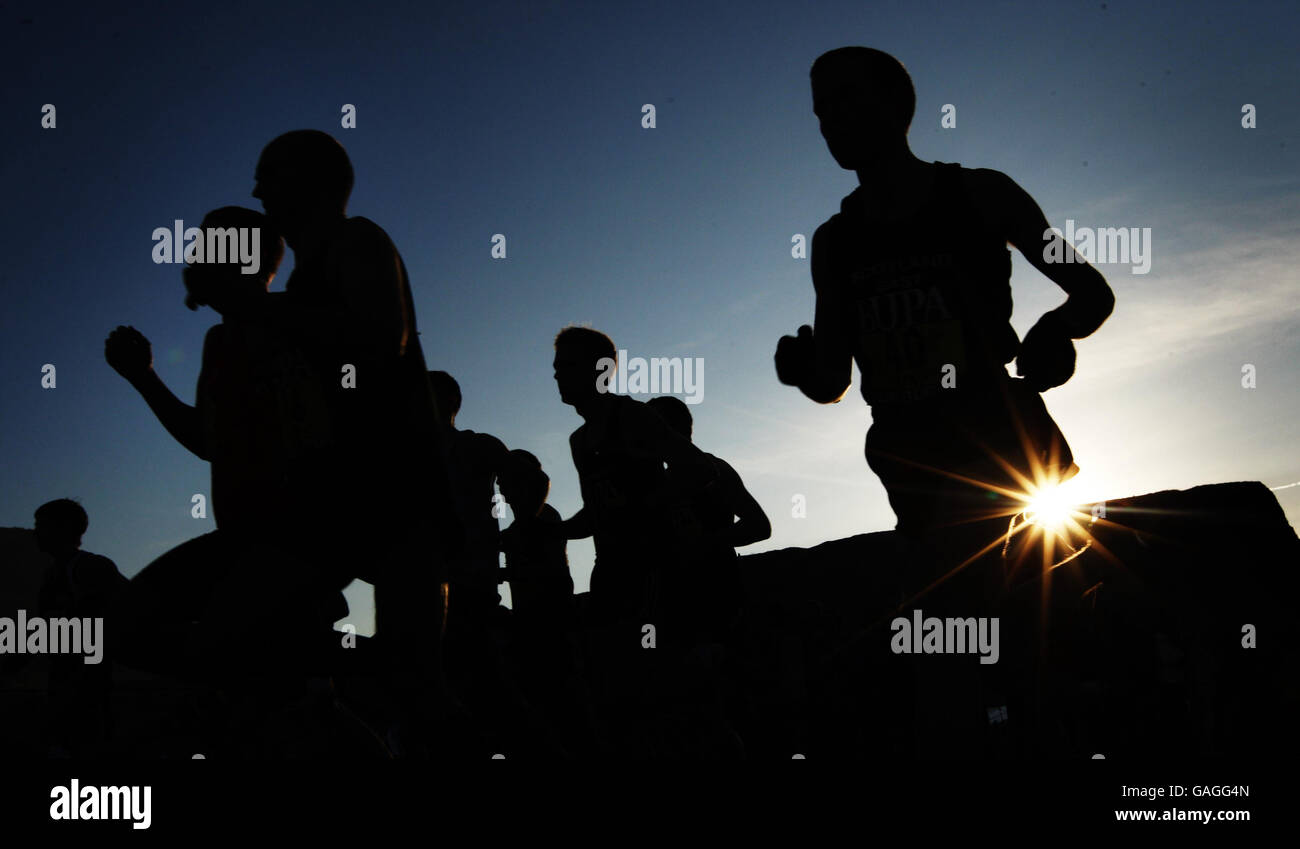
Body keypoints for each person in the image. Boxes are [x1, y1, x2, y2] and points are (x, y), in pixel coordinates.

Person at [775, 46, 1115, 565]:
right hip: (912, 467)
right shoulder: (834, 242)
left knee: (1033, 603)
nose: (829, 122)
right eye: (821, 111)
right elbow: (832, 380)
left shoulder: (984, 195)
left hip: (1001, 449)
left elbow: (1091, 292)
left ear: (896, 104)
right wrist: (800, 370)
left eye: (845, 99)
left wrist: (1055, 328)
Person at [645, 395, 770, 643]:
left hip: (716, 598)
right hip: (672, 605)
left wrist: (706, 542)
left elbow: (759, 526)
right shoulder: (654, 483)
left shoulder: (716, 470)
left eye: (651, 427)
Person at [32, 499, 127, 756]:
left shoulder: (92, 568)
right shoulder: (51, 576)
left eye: (41, 525)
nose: (36, 532)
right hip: (63, 690)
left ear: (62, 528)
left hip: (89, 692)